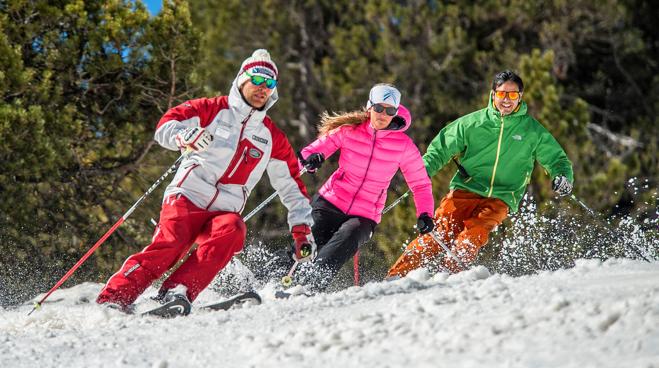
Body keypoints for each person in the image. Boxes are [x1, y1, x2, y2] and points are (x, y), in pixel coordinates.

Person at [96, 49, 315, 311]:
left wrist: (301, 229)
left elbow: (292, 186)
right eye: (257, 80)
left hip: (224, 210)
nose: (263, 89)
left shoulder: (271, 137)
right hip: (188, 196)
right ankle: (114, 299)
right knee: (169, 247)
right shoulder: (212, 109)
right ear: (242, 80)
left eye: (270, 84)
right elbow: (165, 126)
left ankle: (178, 291)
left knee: (233, 229)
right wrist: (185, 136)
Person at [387, 70, 574, 277]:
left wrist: (563, 176)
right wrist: (420, 175)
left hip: (502, 196)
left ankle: (448, 275)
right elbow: (439, 150)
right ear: (493, 94)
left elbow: (556, 159)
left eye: (512, 95)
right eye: (502, 94)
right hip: (465, 189)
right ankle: (397, 276)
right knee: (440, 233)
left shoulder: (532, 131)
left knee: (475, 232)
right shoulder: (472, 123)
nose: (506, 100)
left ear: (520, 97)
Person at [288, 83, 435, 291]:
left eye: (390, 110)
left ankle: (310, 285)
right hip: (331, 200)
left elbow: (420, 184)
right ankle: (266, 280)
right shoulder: (350, 130)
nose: (383, 114)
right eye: (378, 108)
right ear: (369, 107)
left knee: (347, 238)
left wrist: (426, 214)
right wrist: (310, 160)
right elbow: (314, 150)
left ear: (396, 112)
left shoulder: (403, 146)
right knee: (306, 243)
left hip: (365, 214)